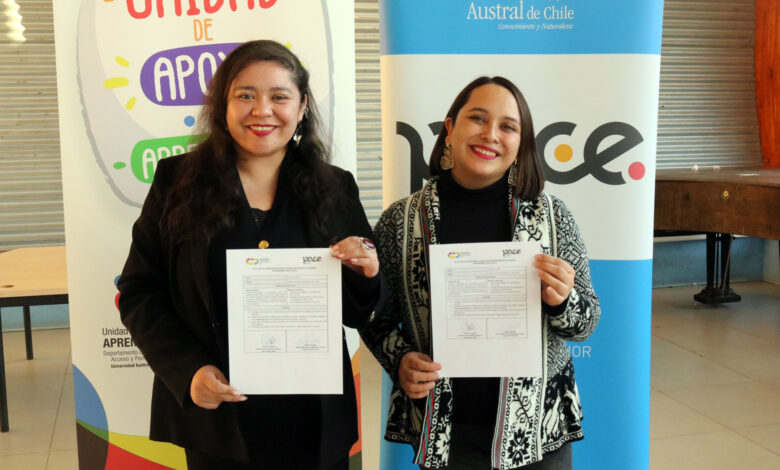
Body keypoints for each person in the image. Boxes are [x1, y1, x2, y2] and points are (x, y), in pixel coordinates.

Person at [117, 40, 381, 470]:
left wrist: (367, 273)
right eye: (245, 95)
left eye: (279, 96)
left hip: (313, 418)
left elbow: (357, 310)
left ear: (302, 106)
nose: (262, 111)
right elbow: (139, 291)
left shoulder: (336, 187)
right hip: (218, 418)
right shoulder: (176, 181)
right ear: (223, 105)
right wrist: (188, 371)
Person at [359, 76, 600, 469]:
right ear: (450, 128)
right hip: (445, 431)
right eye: (478, 118)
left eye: (508, 126)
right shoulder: (401, 221)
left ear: (521, 144)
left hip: (537, 433)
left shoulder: (552, 218)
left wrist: (562, 301)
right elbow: (374, 316)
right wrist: (400, 360)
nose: (491, 134)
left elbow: (586, 322)